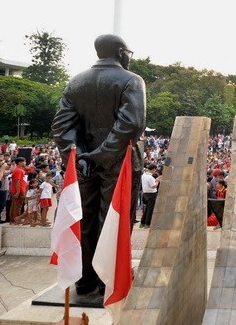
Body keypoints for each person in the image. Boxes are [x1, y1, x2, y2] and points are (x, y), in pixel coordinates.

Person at [51, 34, 146, 296]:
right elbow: (131, 124)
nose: (129, 56)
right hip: (119, 162)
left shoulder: (76, 82)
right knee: (114, 218)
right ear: (119, 51)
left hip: (82, 163)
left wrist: (80, 155)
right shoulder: (131, 80)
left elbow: (62, 126)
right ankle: (109, 278)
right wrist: (102, 154)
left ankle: (83, 279)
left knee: (84, 219)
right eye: (128, 51)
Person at [9, 157, 27, 225]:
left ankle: (13, 220)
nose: (25, 163)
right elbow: (17, 181)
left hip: (17, 190)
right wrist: (18, 191)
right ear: (19, 163)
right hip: (19, 190)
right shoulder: (19, 170)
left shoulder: (18, 170)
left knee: (14, 206)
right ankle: (16, 220)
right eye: (24, 161)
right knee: (17, 206)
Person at [140, 163, 159, 228]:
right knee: (150, 210)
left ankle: (142, 222)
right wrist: (157, 181)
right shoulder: (150, 177)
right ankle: (147, 223)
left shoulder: (144, 175)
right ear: (153, 169)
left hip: (145, 193)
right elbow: (153, 186)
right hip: (151, 194)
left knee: (147, 209)